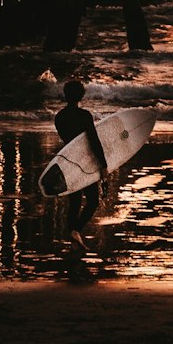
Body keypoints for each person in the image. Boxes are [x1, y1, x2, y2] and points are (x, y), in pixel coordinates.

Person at [54, 79, 108, 249]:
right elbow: (93, 141)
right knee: (92, 201)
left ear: (65, 95)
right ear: (81, 95)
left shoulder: (59, 117)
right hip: (85, 161)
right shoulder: (84, 116)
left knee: (75, 201)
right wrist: (103, 165)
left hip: (68, 161)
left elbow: (68, 140)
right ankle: (76, 230)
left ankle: (73, 235)